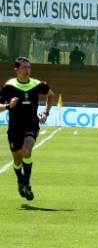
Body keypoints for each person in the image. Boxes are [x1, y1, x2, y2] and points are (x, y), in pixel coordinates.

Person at [0, 56, 54, 201]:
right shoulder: (9, 86)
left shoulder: (38, 84)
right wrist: (7, 106)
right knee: (17, 161)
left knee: (27, 151)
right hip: (14, 127)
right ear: (16, 70)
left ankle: (27, 183)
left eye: (29, 67)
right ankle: (20, 181)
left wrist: (46, 112)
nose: (27, 70)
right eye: (24, 67)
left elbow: (51, 95)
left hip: (31, 124)